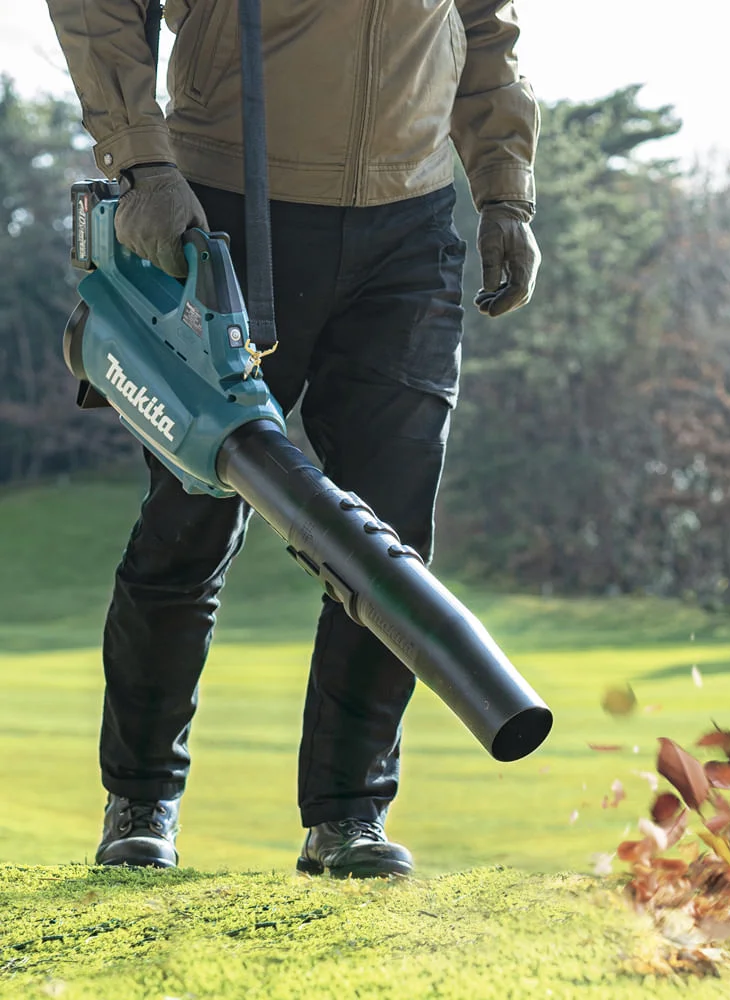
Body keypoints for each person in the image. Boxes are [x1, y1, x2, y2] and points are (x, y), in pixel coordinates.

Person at [44, 0, 541, 877]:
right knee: (191, 521)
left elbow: (483, 23)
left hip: (411, 220)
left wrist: (504, 188)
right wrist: (142, 160)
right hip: (223, 201)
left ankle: (349, 817)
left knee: (388, 540)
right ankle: (141, 801)